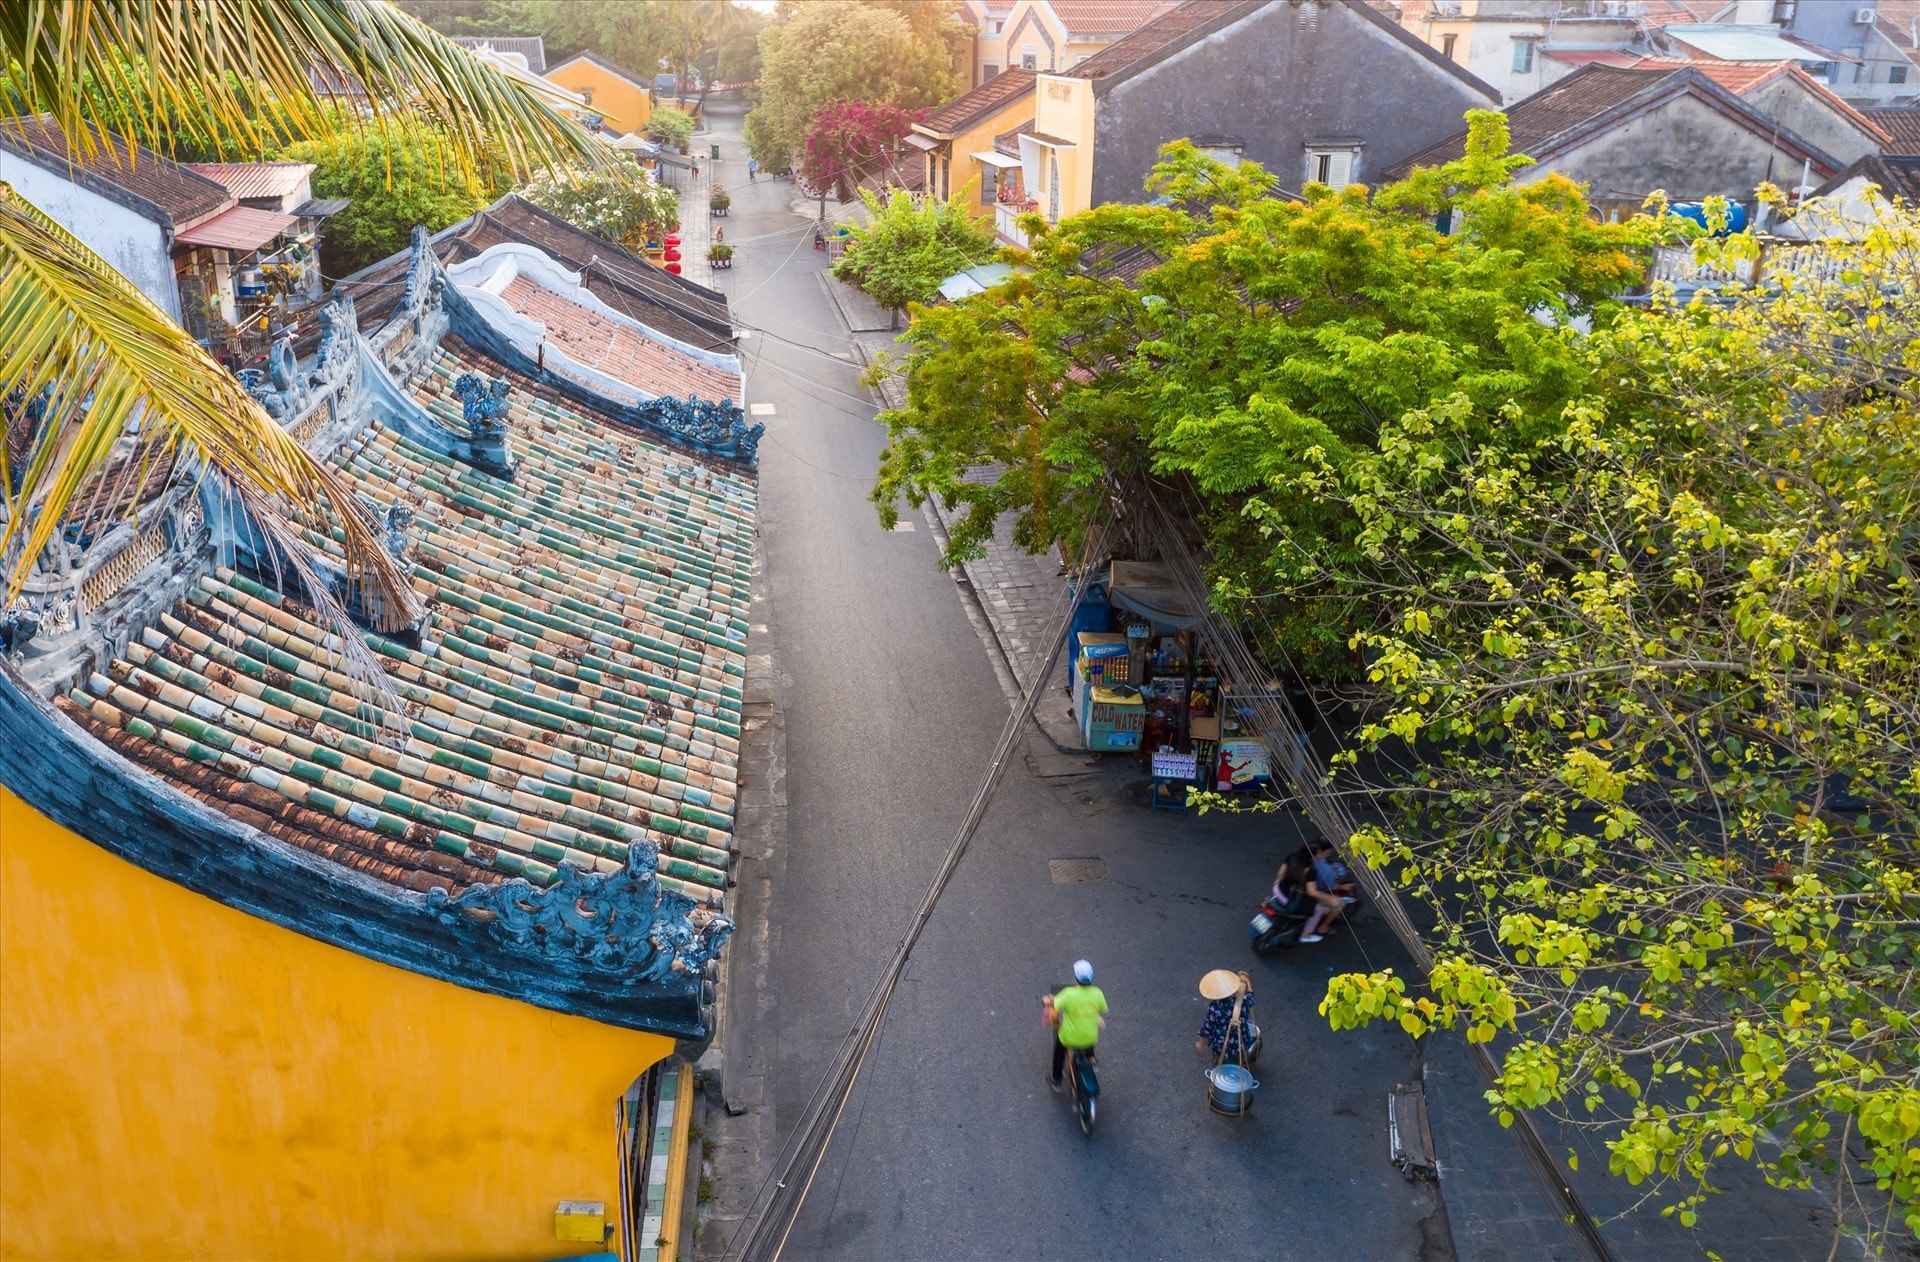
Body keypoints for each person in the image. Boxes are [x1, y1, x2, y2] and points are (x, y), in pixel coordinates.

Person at [1047, 959, 1107, 1091]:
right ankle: (1091, 1059)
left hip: (1069, 1037)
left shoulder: (1069, 993)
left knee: (1059, 1049)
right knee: (1088, 1031)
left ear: (1076, 977)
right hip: (1091, 1037)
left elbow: (1055, 1004)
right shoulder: (1097, 993)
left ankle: (1056, 1080)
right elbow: (1102, 1008)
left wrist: (1049, 1000)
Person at [1299, 839, 1357, 943]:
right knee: (1340, 903)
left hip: (1299, 890)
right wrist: (1342, 888)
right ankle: (1322, 927)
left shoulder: (1301, 861)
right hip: (1314, 893)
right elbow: (1331, 887)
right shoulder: (1324, 869)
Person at [1195, 969, 1255, 1058]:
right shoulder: (1242, 1000)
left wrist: (1201, 1043)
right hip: (1241, 1041)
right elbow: (1251, 998)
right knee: (1239, 1061)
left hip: (1222, 1045)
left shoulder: (1214, 1007)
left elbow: (1208, 1029)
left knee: (1221, 1065)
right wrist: (1247, 982)